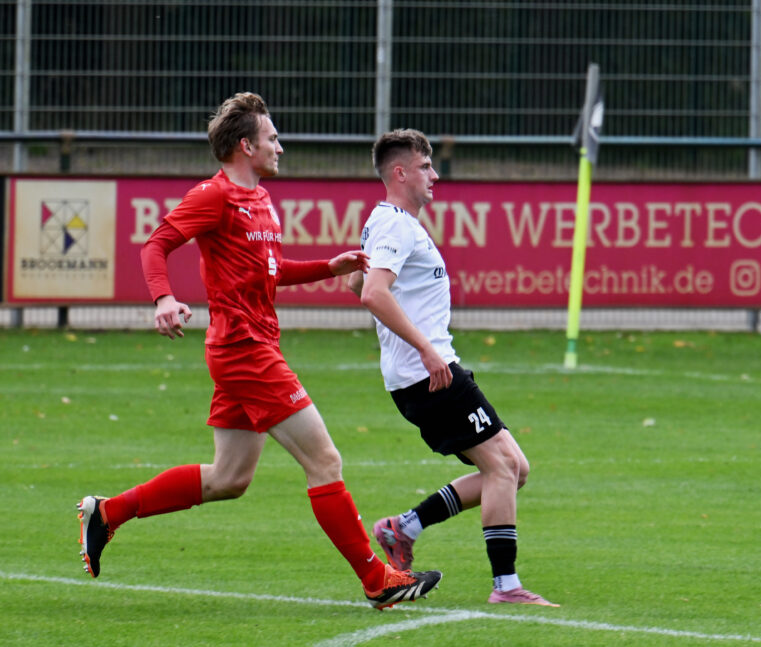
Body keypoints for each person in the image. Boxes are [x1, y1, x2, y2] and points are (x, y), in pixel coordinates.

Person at [76, 93, 441, 610]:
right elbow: (155, 244)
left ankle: (107, 512)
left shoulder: (262, 201)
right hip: (243, 350)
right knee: (325, 460)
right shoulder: (214, 195)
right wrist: (163, 297)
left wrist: (325, 268)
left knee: (229, 478)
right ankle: (378, 579)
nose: (281, 147)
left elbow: (269, 271)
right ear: (246, 146)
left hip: (250, 346)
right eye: (272, 139)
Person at [347, 128, 558, 607]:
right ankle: (506, 587)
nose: (434, 174)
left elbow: (360, 283)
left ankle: (404, 527)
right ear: (400, 173)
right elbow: (372, 292)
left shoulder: (389, 221)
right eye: (425, 166)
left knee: (514, 469)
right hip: (430, 374)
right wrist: (423, 347)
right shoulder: (396, 224)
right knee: (503, 466)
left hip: (428, 370)